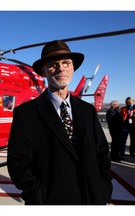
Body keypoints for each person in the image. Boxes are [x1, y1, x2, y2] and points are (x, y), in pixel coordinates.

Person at [7, 40, 113, 205]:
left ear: (73, 68)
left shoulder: (87, 111)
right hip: (51, 200)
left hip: (91, 197)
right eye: (53, 64)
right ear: (43, 70)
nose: (61, 68)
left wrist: (104, 187)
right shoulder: (26, 113)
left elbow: (102, 153)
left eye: (66, 63)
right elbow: (18, 163)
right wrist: (36, 195)